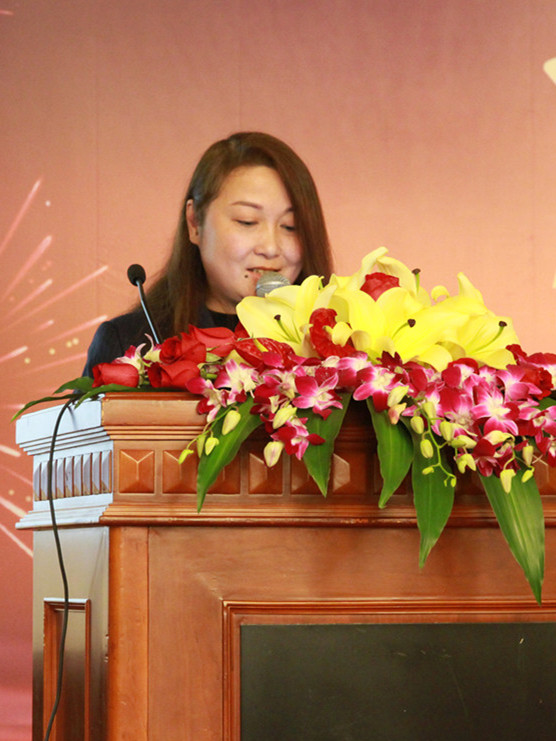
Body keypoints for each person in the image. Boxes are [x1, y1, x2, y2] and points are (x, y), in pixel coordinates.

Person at [83, 131, 333, 377]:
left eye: (290, 226)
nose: (270, 248)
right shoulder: (131, 345)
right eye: (247, 221)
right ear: (194, 222)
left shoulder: (336, 346)